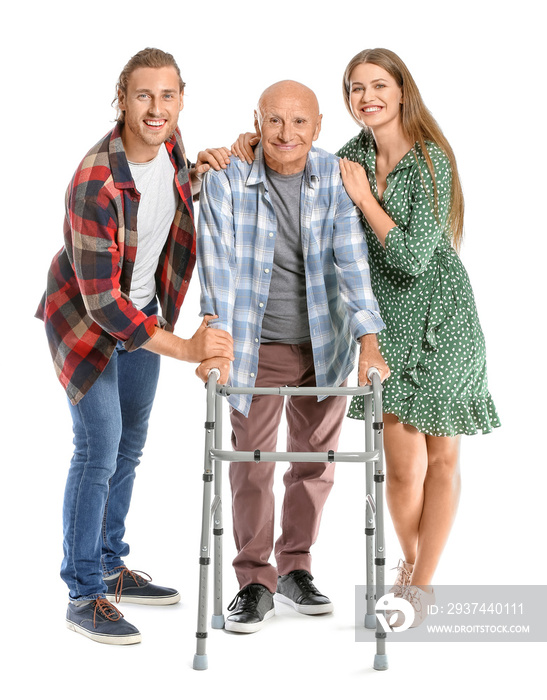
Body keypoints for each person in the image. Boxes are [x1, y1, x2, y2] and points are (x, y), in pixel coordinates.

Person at [230, 49, 500, 629]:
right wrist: (248, 143)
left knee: (443, 457)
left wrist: (365, 199)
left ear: (403, 91)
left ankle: (417, 587)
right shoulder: (349, 155)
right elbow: (293, 154)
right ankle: (411, 565)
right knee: (402, 470)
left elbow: (408, 256)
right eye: (356, 87)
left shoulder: (430, 161)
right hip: (381, 326)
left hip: (442, 319)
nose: (367, 96)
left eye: (379, 85)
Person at [36, 47, 233, 645]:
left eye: (168, 96)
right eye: (143, 95)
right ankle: (84, 591)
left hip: (143, 316)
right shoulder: (94, 181)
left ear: (180, 100)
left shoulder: (169, 143)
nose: (156, 108)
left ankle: (109, 563)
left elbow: (171, 196)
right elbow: (101, 303)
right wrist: (188, 347)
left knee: (129, 448)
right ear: (121, 97)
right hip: (90, 327)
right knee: (99, 449)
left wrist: (206, 171)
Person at [195, 80, 388, 634]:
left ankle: (295, 569)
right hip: (255, 346)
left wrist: (369, 340)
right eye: (274, 121)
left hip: (324, 345)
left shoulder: (333, 178)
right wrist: (217, 345)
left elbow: (352, 264)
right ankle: (254, 580)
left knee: (315, 465)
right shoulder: (227, 178)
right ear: (256, 122)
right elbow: (217, 269)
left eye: (299, 122)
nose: (286, 134)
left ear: (318, 125)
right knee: (251, 464)